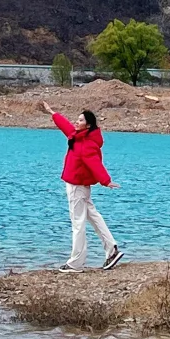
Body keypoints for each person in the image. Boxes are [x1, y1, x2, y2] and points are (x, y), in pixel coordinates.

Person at [40, 100, 123, 272]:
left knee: (78, 223)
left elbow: (95, 164)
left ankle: (76, 263)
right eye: (77, 120)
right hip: (79, 187)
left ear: (88, 125)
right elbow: (66, 126)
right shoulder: (78, 136)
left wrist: (106, 181)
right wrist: (52, 112)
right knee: (94, 217)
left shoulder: (86, 144)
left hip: (77, 188)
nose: (76, 122)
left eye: (80, 120)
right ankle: (112, 249)